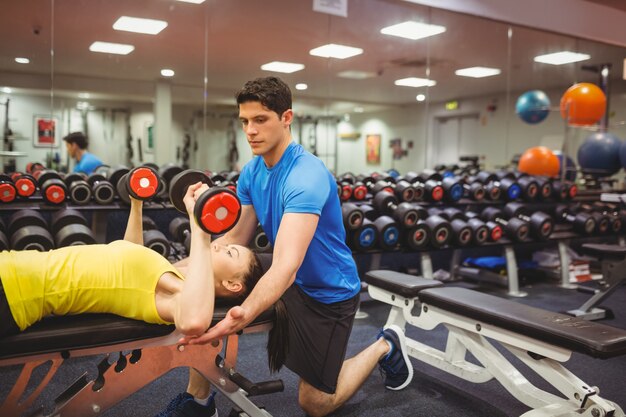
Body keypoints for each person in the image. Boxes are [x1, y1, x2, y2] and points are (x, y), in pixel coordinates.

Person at [161, 76, 413, 417]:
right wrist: (169, 270)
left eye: (260, 120)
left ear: (286, 118)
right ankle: (200, 401)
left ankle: (385, 345)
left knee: (315, 403)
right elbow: (234, 239)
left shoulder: (304, 176)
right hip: (285, 267)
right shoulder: (252, 171)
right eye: (245, 122)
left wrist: (242, 314)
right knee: (210, 284)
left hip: (326, 290)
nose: (250, 130)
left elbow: (286, 268)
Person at [0, 184, 264, 417]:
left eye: (230, 252)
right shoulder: (169, 273)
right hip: (11, 265)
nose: (220, 244)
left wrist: (201, 231)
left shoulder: (177, 292)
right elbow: (130, 252)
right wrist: (137, 202)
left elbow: (194, 321)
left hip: (14, 292)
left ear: (233, 284)